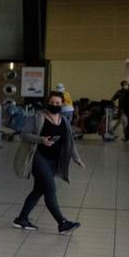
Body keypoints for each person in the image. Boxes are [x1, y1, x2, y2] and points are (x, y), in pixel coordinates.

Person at [13, 91, 84, 233]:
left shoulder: (64, 121)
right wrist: (41, 140)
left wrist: (77, 158)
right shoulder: (38, 117)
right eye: (52, 102)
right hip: (38, 158)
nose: (55, 105)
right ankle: (62, 222)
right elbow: (24, 134)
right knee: (50, 189)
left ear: (62, 104)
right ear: (48, 103)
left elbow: (70, 142)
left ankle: (21, 219)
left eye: (58, 103)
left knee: (38, 190)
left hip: (53, 161)